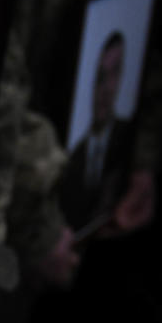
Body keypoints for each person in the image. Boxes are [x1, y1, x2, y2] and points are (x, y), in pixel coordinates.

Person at [60, 31, 139, 233]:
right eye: (100, 77)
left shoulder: (129, 138)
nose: (106, 89)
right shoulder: (72, 157)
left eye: (114, 74)